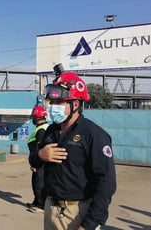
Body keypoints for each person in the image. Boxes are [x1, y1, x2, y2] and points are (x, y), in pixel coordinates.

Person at [29, 72, 116, 230]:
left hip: (78, 212)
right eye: (52, 101)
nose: (52, 106)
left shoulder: (94, 135)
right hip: (51, 209)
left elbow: (106, 183)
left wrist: (89, 224)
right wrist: (41, 156)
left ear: (75, 104)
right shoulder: (51, 131)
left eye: (59, 102)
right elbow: (33, 161)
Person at [26, 106, 49, 213]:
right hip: (38, 160)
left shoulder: (42, 130)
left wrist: (36, 163)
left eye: (34, 117)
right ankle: (36, 202)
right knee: (35, 182)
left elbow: (40, 148)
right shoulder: (41, 128)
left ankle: (41, 206)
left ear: (37, 117)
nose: (33, 119)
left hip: (40, 162)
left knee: (39, 184)